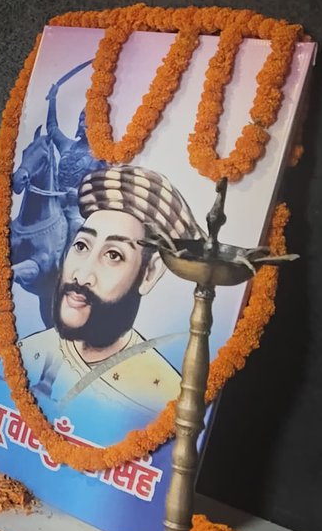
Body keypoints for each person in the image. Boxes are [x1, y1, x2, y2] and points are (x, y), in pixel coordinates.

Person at [21, 165, 200, 421]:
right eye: (81, 246)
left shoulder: (165, 401)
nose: (82, 275)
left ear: (149, 274)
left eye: (113, 255)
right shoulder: (24, 354)